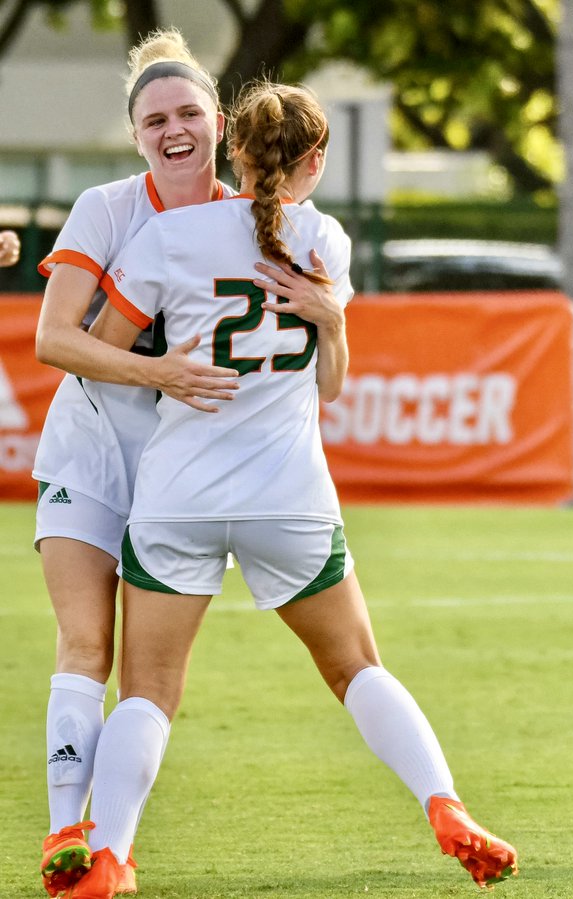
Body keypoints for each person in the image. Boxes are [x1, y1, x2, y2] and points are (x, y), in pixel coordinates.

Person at [65, 80, 518, 899]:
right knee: (357, 669)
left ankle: (109, 854)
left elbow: (100, 351)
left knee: (147, 694)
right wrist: (331, 319)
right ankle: (444, 803)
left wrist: (166, 365)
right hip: (291, 495)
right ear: (316, 160)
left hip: (180, 495)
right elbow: (332, 388)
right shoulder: (327, 242)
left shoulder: (170, 236)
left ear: (233, 150)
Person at [33, 28, 240, 897]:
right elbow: (53, 339)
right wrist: (157, 371)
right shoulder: (107, 208)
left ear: (219, 121)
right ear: (136, 134)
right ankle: (64, 834)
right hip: (87, 450)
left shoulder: (250, 217)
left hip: (185, 476)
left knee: (152, 679)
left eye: (189, 111)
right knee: (86, 643)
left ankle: (110, 848)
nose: (173, 128)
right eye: (155, 119)